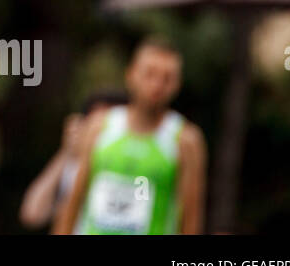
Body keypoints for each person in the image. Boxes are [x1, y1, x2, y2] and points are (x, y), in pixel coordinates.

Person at [53, 37, 206, 235]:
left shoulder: (185, 140)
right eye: (149, 74)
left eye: (167, 78)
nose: (157, 85)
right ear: (131, 74)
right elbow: (72, 201)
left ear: (177, 84)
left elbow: (191, 219)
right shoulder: (100, 126)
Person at [19, 89, 127, 230]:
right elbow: (32, 214)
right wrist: (66, 151)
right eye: (93, 123)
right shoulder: (72, 164)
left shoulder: (133, 166)